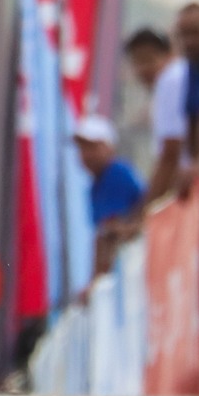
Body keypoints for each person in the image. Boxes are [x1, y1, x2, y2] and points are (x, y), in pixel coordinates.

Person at [153, 3, 199, 200]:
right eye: (183, 35)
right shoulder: (190, 71)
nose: (189, 42)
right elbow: (192, 123)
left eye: (196, 33)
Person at [72, 114, 144, 279]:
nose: (85, 155)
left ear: (108, 147)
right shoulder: (97, 183)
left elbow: (111, 232)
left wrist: (97, 280)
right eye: (81, 149)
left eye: (91, 147)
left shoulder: (115, 174)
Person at [123, 26, 185, 198]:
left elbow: (170, 154)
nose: (143, 69)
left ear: (169, 55)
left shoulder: (170, 79)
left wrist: (144, 211)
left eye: (149, 59)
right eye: (137, 62)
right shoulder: (175, 78)